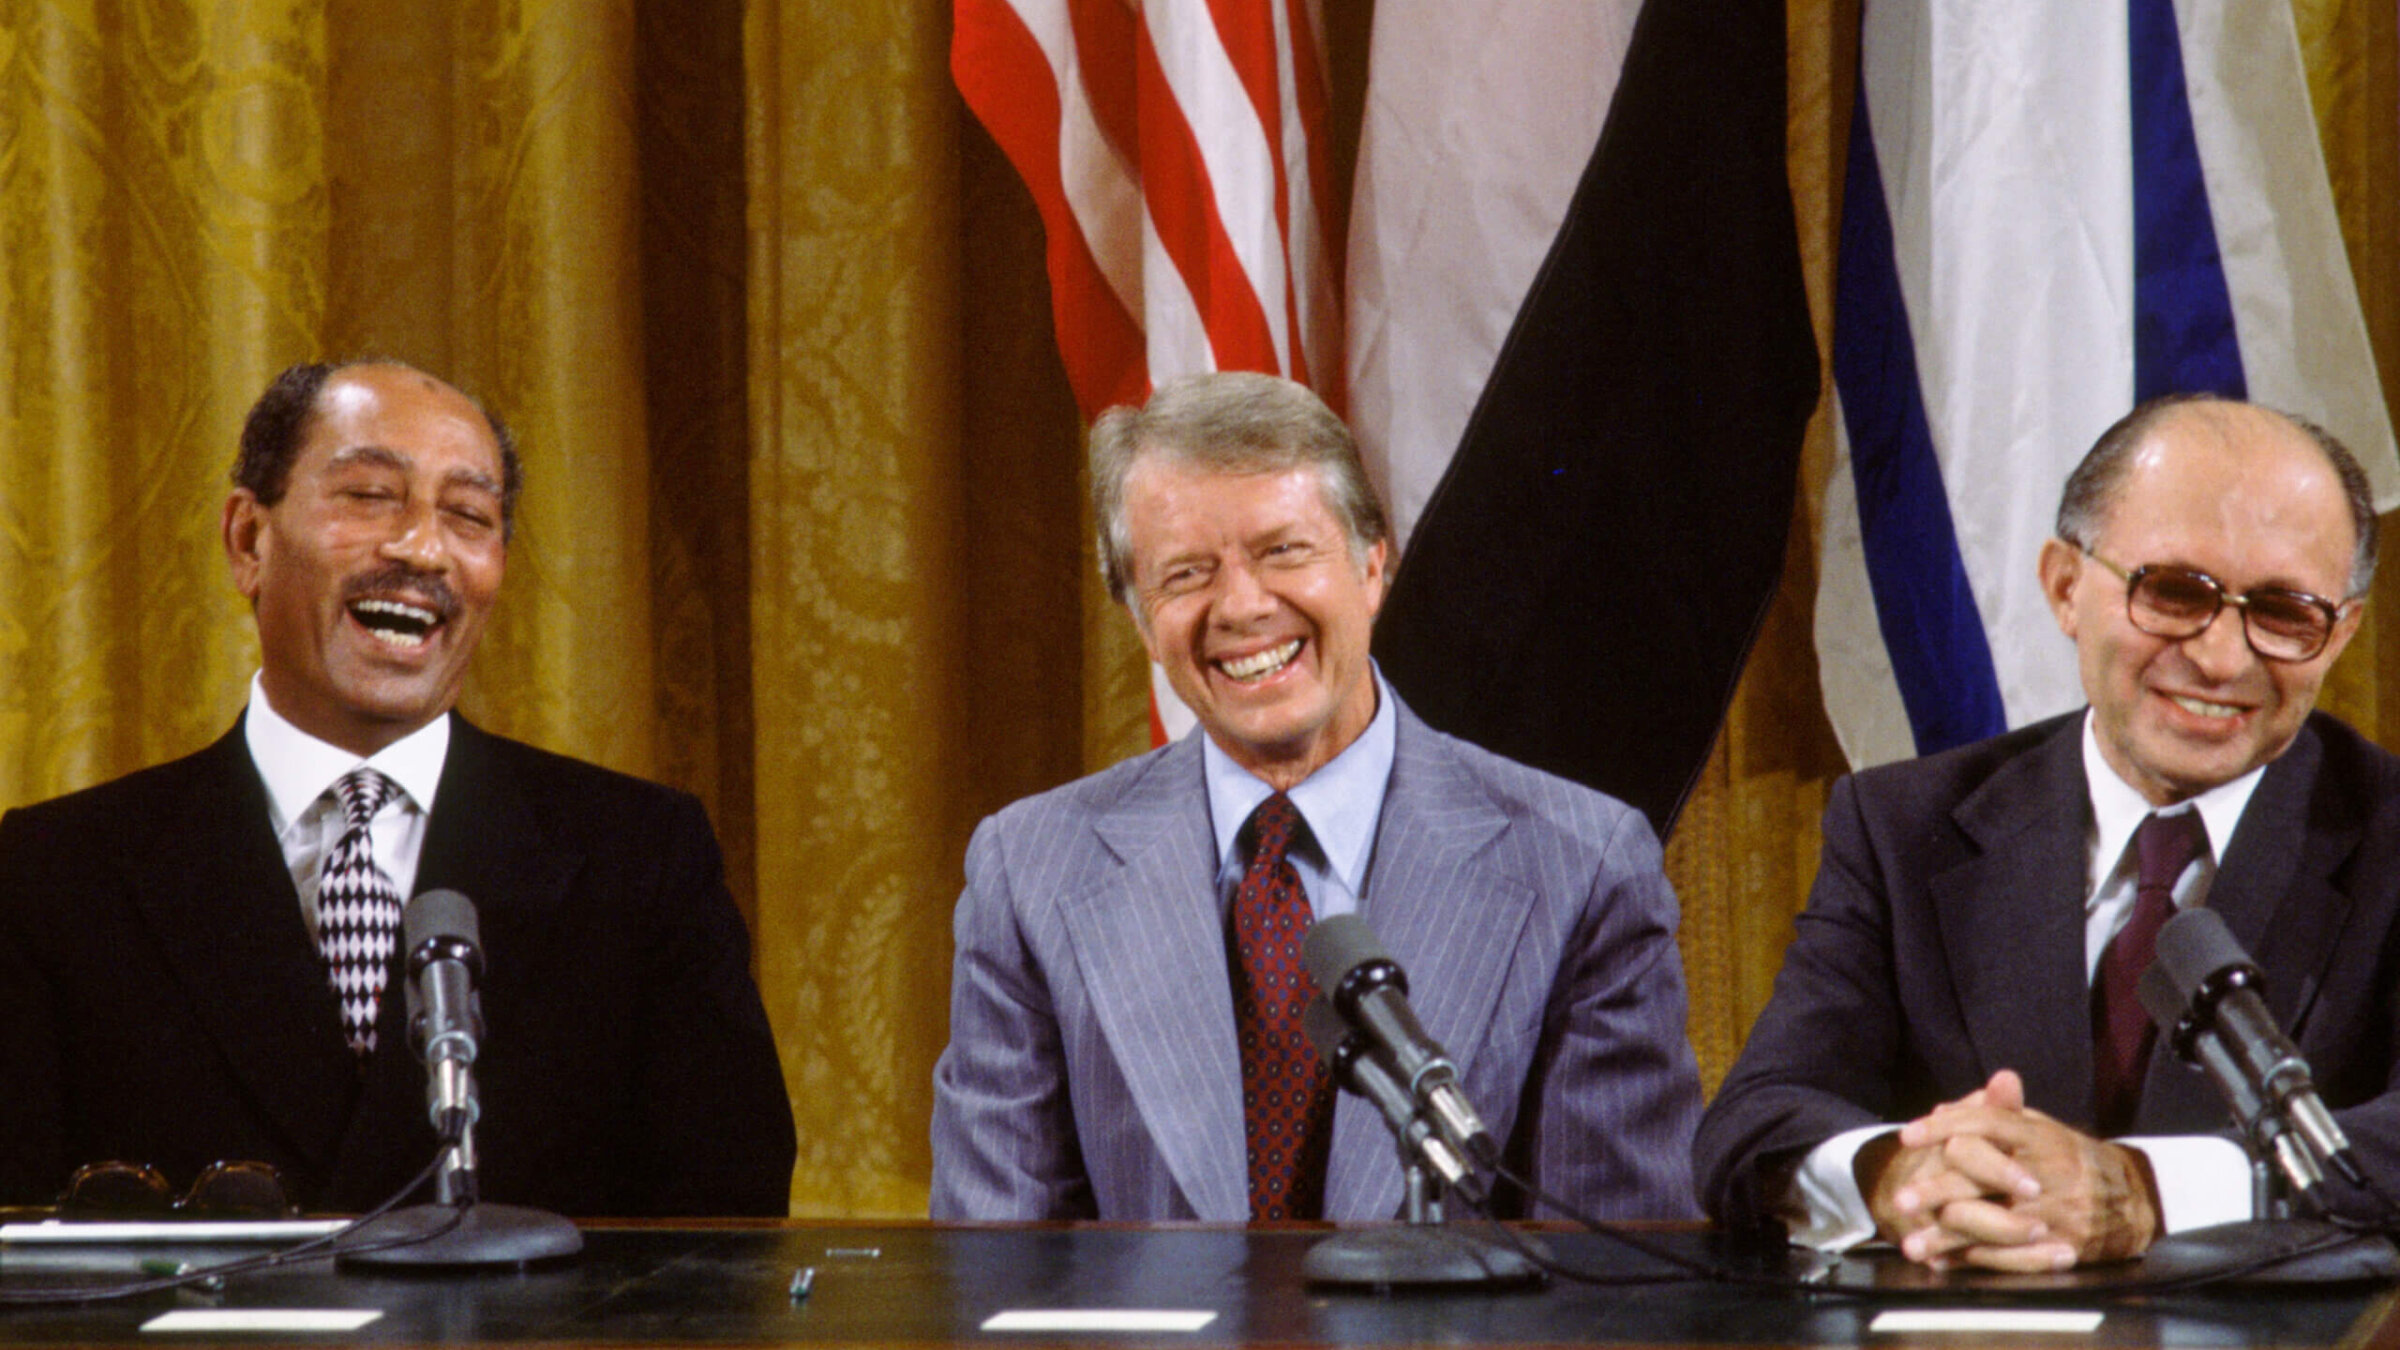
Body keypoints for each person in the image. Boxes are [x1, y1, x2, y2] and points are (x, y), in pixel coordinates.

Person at [0, 360, 796, 1217]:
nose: (422, 549)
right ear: (247, 541)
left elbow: (727, 1241)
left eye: (468, 516)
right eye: (371, 496)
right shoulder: (51, 876)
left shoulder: (640, 860)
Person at [928, 371, 1702, 1222]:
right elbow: (992, 1271)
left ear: (1372, 567)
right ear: (1142, 622)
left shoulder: (1579, 865)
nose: (1243, 606)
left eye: (1282, 551)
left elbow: (1611, 1282)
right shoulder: (1030, 871)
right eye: (1186, 574)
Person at [1695, 394, 2400, 1270]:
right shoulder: (1905, 826)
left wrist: (2144, 1193)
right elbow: (1758, 1118)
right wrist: (1900, 1177)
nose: (2224, 658)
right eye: (2176, 593)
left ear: (2342, 633)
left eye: (2285, 613)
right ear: (2066, 587)